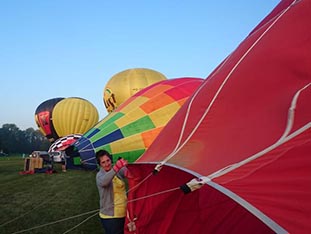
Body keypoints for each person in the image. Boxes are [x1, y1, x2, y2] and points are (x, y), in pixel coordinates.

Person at [96, 149, 128, 234]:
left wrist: (127, 167)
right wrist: (116, 167)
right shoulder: (99, 176)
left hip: (124, 213)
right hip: (110, 217)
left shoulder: (116, 172)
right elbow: (104, 182)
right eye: (103, 162)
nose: (107, 164)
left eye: (108, 160)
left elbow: (127, 172)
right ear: (99, 164)